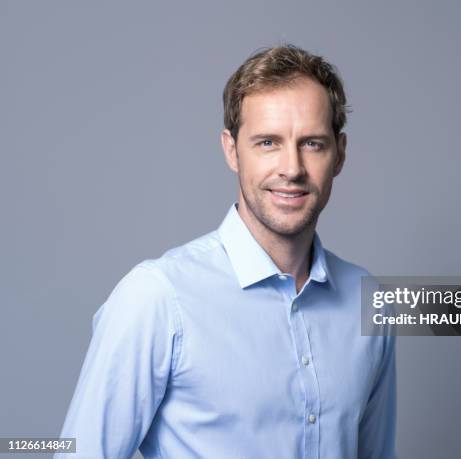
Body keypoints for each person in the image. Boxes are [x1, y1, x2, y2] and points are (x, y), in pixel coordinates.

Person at [56, 44, 396, 459]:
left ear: (340, 154)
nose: (291, 168)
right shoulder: (157, 299)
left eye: (312, 143)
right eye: (268, 142)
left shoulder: (370, 300)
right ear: (232, 150)